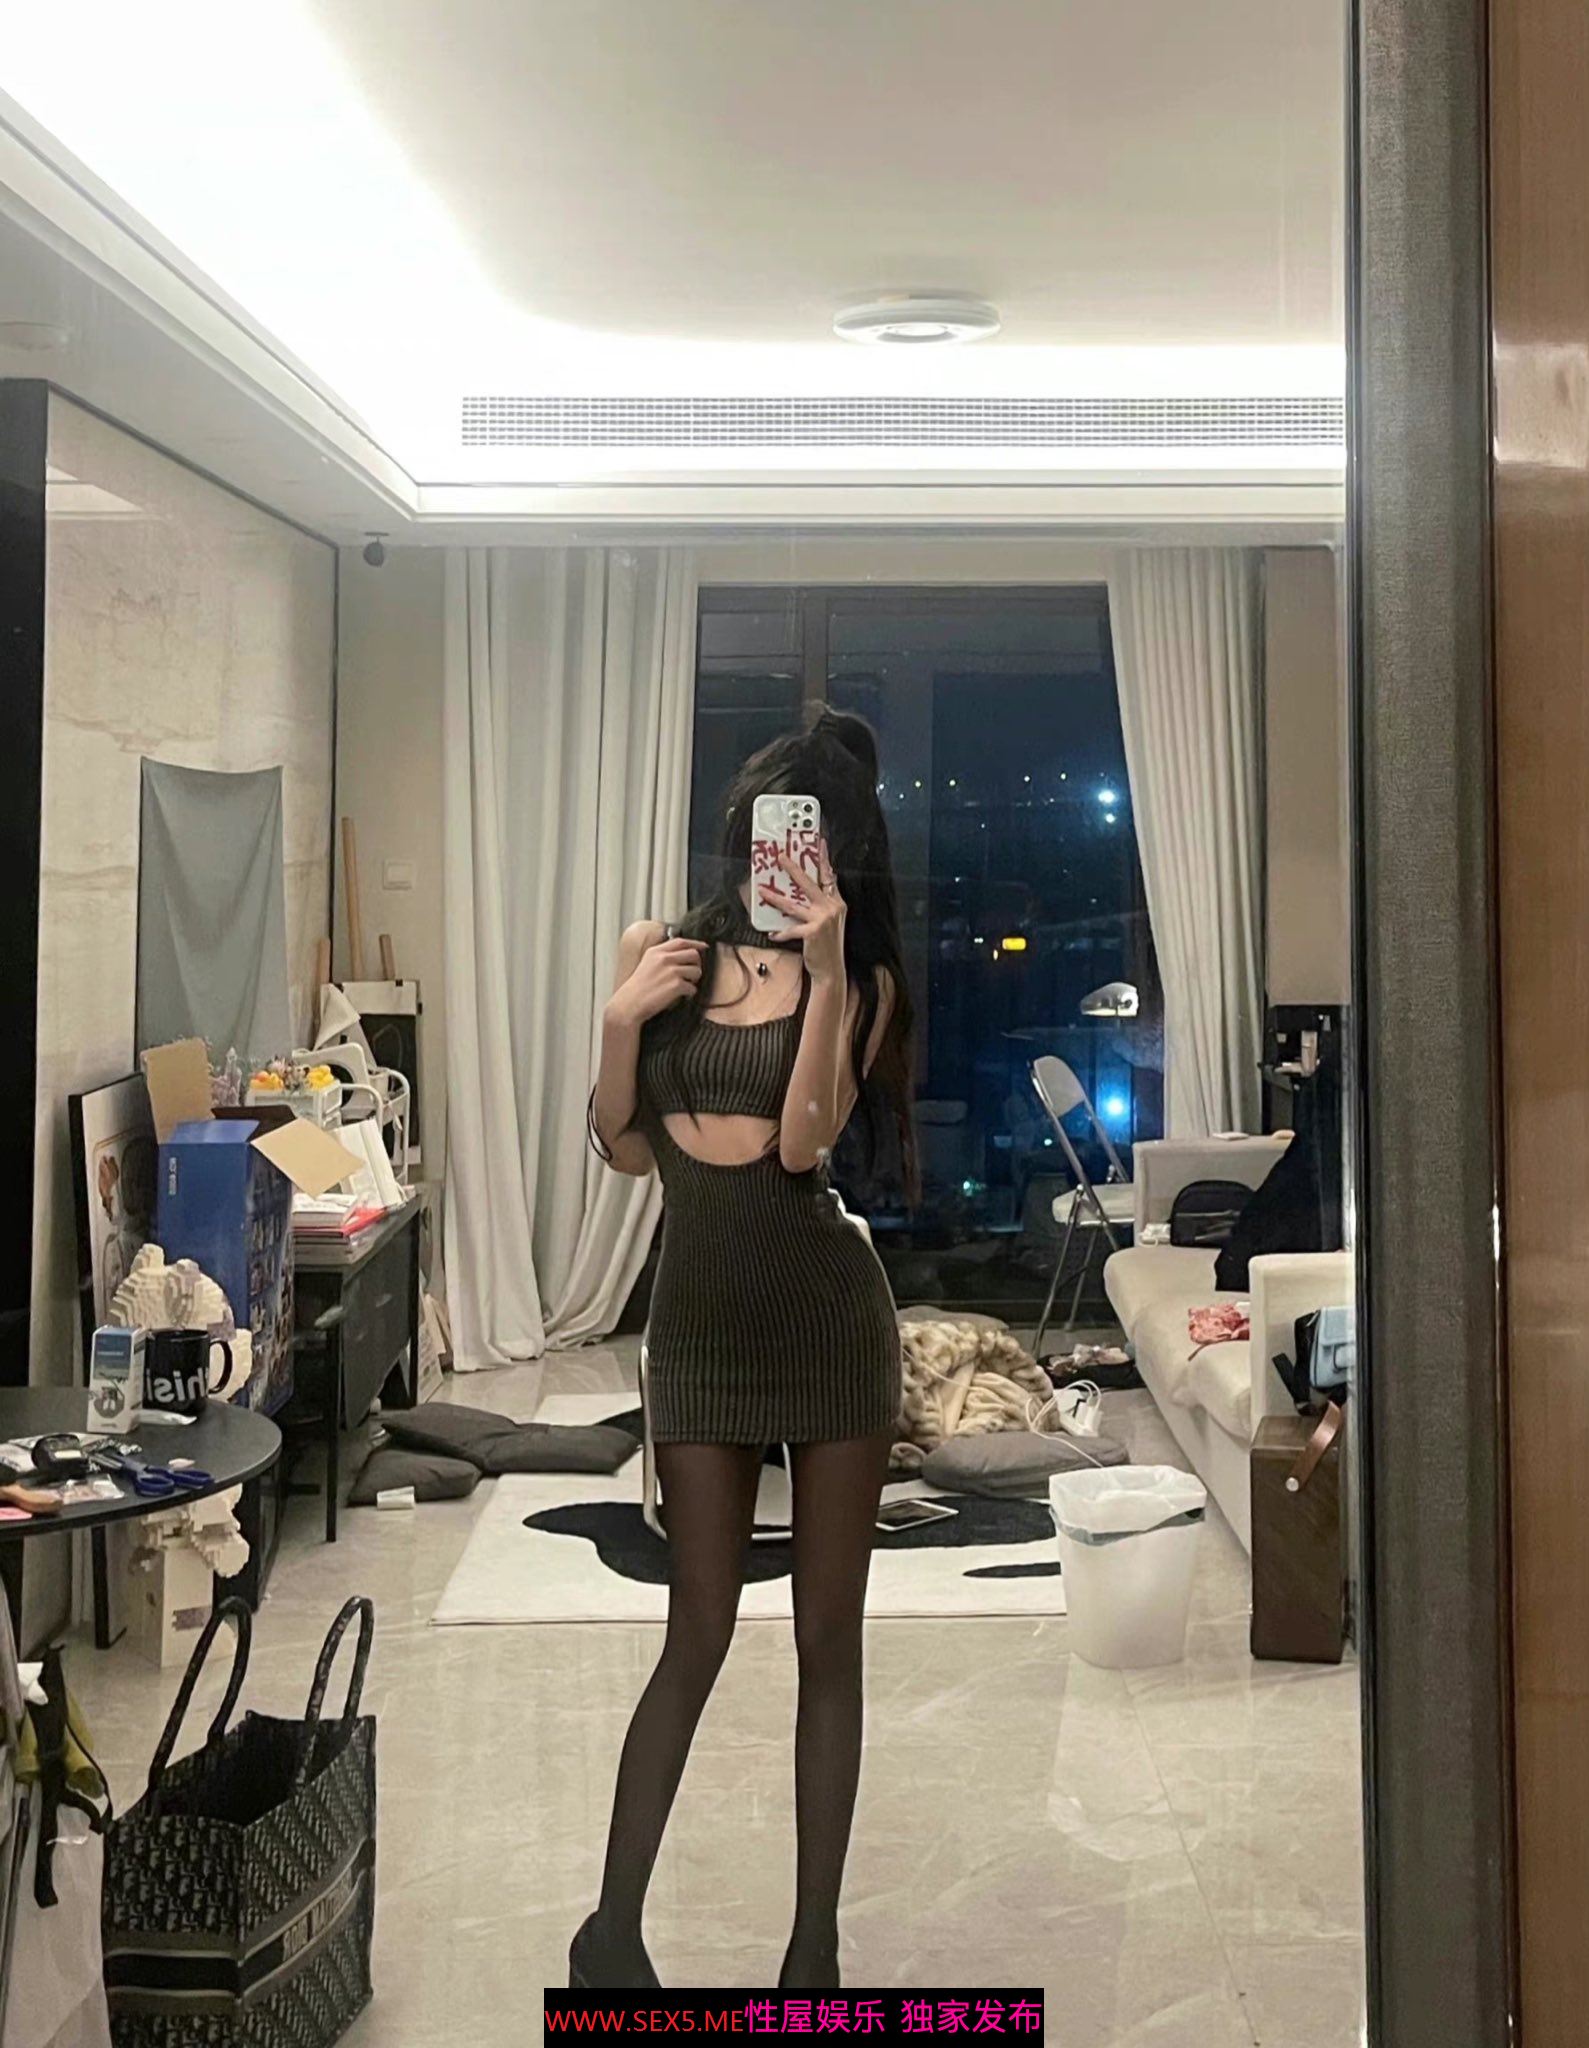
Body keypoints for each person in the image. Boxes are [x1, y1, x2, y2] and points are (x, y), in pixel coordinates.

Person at [574, 707, 916, 1990]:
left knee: (829, 1637)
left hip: (829, 1327)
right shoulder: (656, 949)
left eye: (817, 842)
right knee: (697, 1628)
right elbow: (622, 1149)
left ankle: (811, 1950)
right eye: (778, 833)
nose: (790, 861)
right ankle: (609, 1932)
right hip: (700, 1331)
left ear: (844, 853)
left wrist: (824, 979)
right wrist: (620, 1024)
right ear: (743, 829)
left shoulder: (862, 983)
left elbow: (803, 1144)